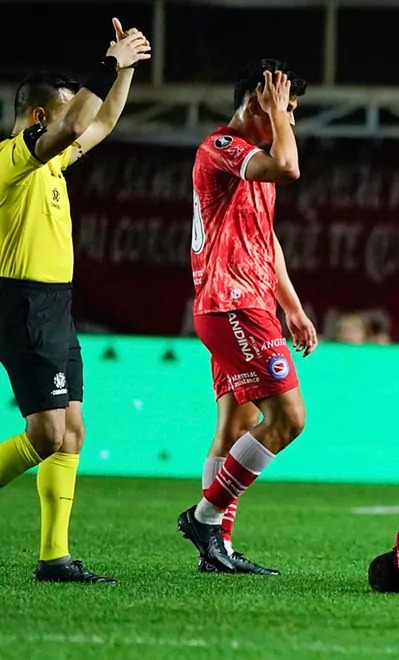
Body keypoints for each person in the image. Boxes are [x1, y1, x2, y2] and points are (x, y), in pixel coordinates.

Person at [0, 18, 150, 583]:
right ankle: (53, 557)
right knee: (46, 435)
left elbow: (102, 121)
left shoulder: (52, 161)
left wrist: (125, 72)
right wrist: (108, 64)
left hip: (55, 306)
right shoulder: (11, 159)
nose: (73, 128)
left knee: (72, 431)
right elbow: (78, 124)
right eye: (64, 117)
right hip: (22, 303)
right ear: (41, 118)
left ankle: (54, 557)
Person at [177, 59, 317, 574]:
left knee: (237, 423)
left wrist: (293, 307)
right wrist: (277, 114)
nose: (291, 120)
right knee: (289, 419)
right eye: (288, 107)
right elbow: (290, 167)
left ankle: (219, 550)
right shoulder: (221, 147)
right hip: (233, 303)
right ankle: (205, 518)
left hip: (241, 304)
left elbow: (265, 239)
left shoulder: (252, 162)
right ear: (260, 101)